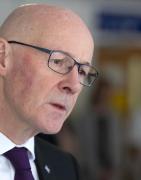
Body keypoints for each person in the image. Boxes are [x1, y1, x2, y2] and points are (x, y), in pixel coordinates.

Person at [0, 3, 98, 180]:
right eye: (59, 61)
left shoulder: (64, 166)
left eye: (82, 71)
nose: (74, 85)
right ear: (2, 57)